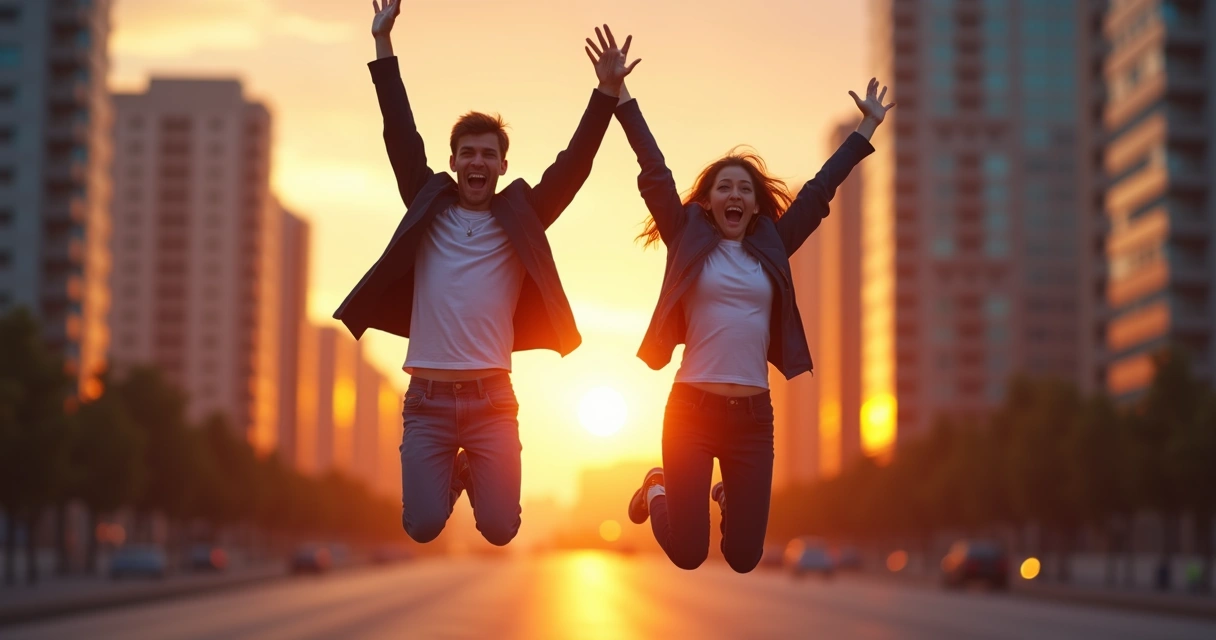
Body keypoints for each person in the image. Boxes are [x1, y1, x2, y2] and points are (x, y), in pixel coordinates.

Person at [334, 0, 639, 546]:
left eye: (488, 155)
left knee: (500, 528)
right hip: (426, 401)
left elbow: (573, 167)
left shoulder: (521, 216)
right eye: (468, 153)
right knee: (423, 525)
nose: (477, 162)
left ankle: (477, 469)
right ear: (453, 162)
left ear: (502, 165)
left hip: (492, 401)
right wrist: (383, 43)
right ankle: (457, 471)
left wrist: (606, 93)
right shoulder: (427, 204)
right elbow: (399, 133)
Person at [613, 72, 894, 572]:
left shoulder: (773, 245)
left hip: (752, 419)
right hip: (691, 411)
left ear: (755, 204)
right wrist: (622, 96)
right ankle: (657, 486)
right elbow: (654, 171)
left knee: (743, 557)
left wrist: (867, 127)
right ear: (708, 201)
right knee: (689, 552)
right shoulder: (685, 236)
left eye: (744, 189)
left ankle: (725, 494)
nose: (735, 195)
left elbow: (819, 192)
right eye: (724, 187)